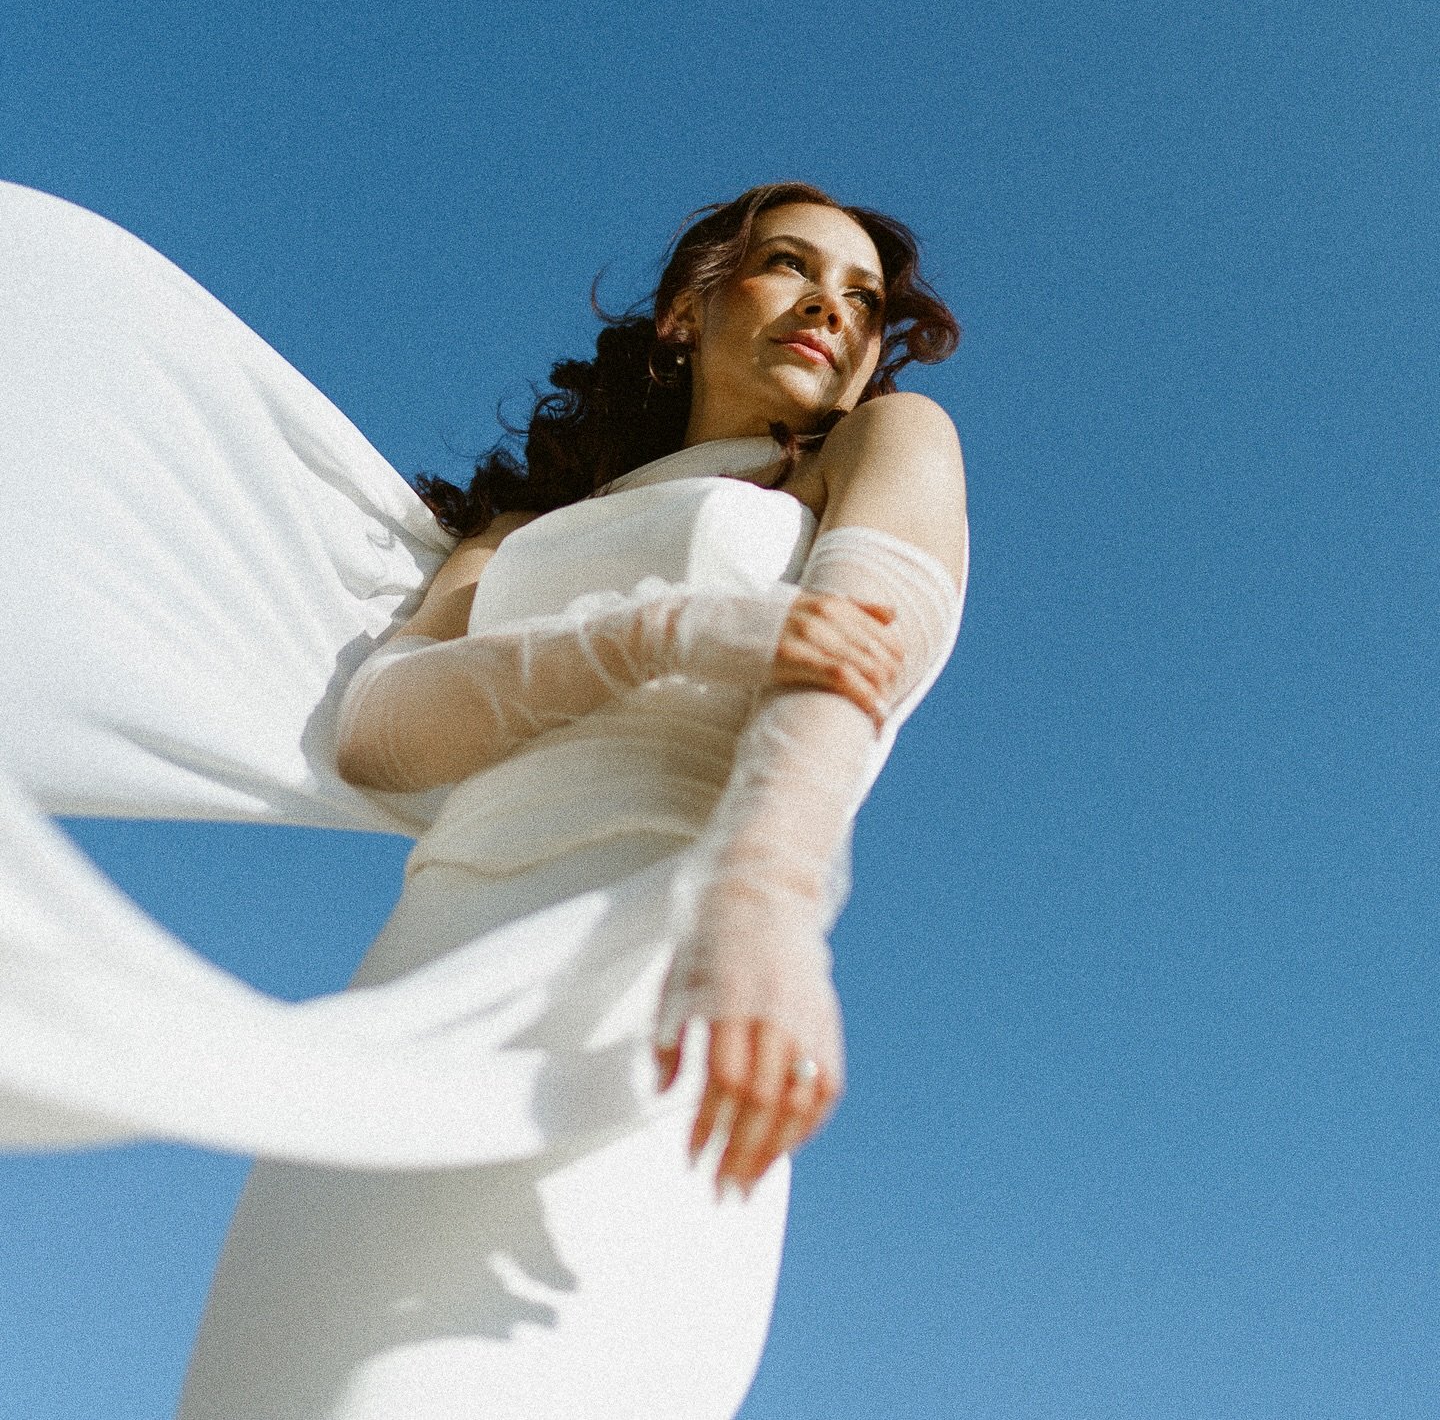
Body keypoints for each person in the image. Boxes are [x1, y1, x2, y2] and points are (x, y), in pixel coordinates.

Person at [0, 176, 965, 1419]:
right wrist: (664, 629)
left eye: (864, 298)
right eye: (788, 265)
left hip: (662, 978)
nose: (829, 306)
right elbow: (381, 733)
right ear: (687, 309)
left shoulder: (890, 447)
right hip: (429, 968)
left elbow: (853, 678)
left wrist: (765, 914)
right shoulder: (518, 532)